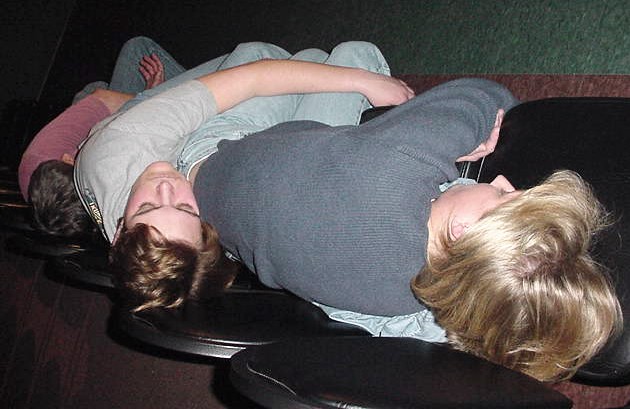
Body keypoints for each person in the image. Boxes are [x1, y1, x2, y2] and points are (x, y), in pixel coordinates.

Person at [110, 75, 622, 383]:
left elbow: (489, 96)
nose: (505, 181)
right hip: (233, 189)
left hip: (245, 149)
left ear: (462, 230)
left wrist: (450, 149)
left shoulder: (397, 166)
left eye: (504, 198)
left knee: (359, 58)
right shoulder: (399, 305)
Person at [19, 36, 187, 238]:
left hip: (98, 115)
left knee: (131, 56)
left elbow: (102, 98)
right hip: (100, 133)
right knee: (136, 51)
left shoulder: (50, 159)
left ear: (68, 159)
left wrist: (148, 98)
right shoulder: (64, 211)